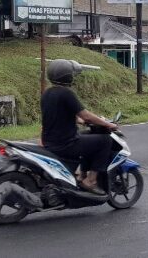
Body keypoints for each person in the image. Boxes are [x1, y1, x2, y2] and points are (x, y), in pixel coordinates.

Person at [40, 59, 118, 195]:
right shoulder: (66, 93)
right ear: (68, 76)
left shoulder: (47, 93)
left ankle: (81, 175)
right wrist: (107, 124)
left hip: (50, 142)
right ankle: (91, 180)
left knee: (89, 136)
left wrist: (81, 121)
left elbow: (62, 113)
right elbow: (86, 115)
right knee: (105, 141)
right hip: (66, 144)